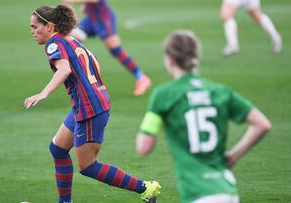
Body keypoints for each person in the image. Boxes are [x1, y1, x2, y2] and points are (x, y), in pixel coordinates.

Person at [24, 5, 160, 203]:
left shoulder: (54, 44)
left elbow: (64, 70)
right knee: (58, 149)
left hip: (90, 108)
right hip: (89, 102)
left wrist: (44, 93)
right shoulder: (70, 39)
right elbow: (94, 63)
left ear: (50, 26)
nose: (32, 32)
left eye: (35, 27)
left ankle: (146, 188)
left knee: (88, 166)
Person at [136, 30, 271, 203]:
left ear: (169, 59)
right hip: (227, 189)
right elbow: (262, 124)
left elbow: (143, 147)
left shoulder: (163, 95)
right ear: (196, 56)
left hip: (198, 193)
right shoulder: (220, 91)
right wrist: (233, 156)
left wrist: (154, 120)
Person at [62, 0, 152, 96]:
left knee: (115, 50)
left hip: (103, 20)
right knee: (72, 40)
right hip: (91, 19)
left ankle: (141, 77)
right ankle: (89, 85)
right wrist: (87, 6)